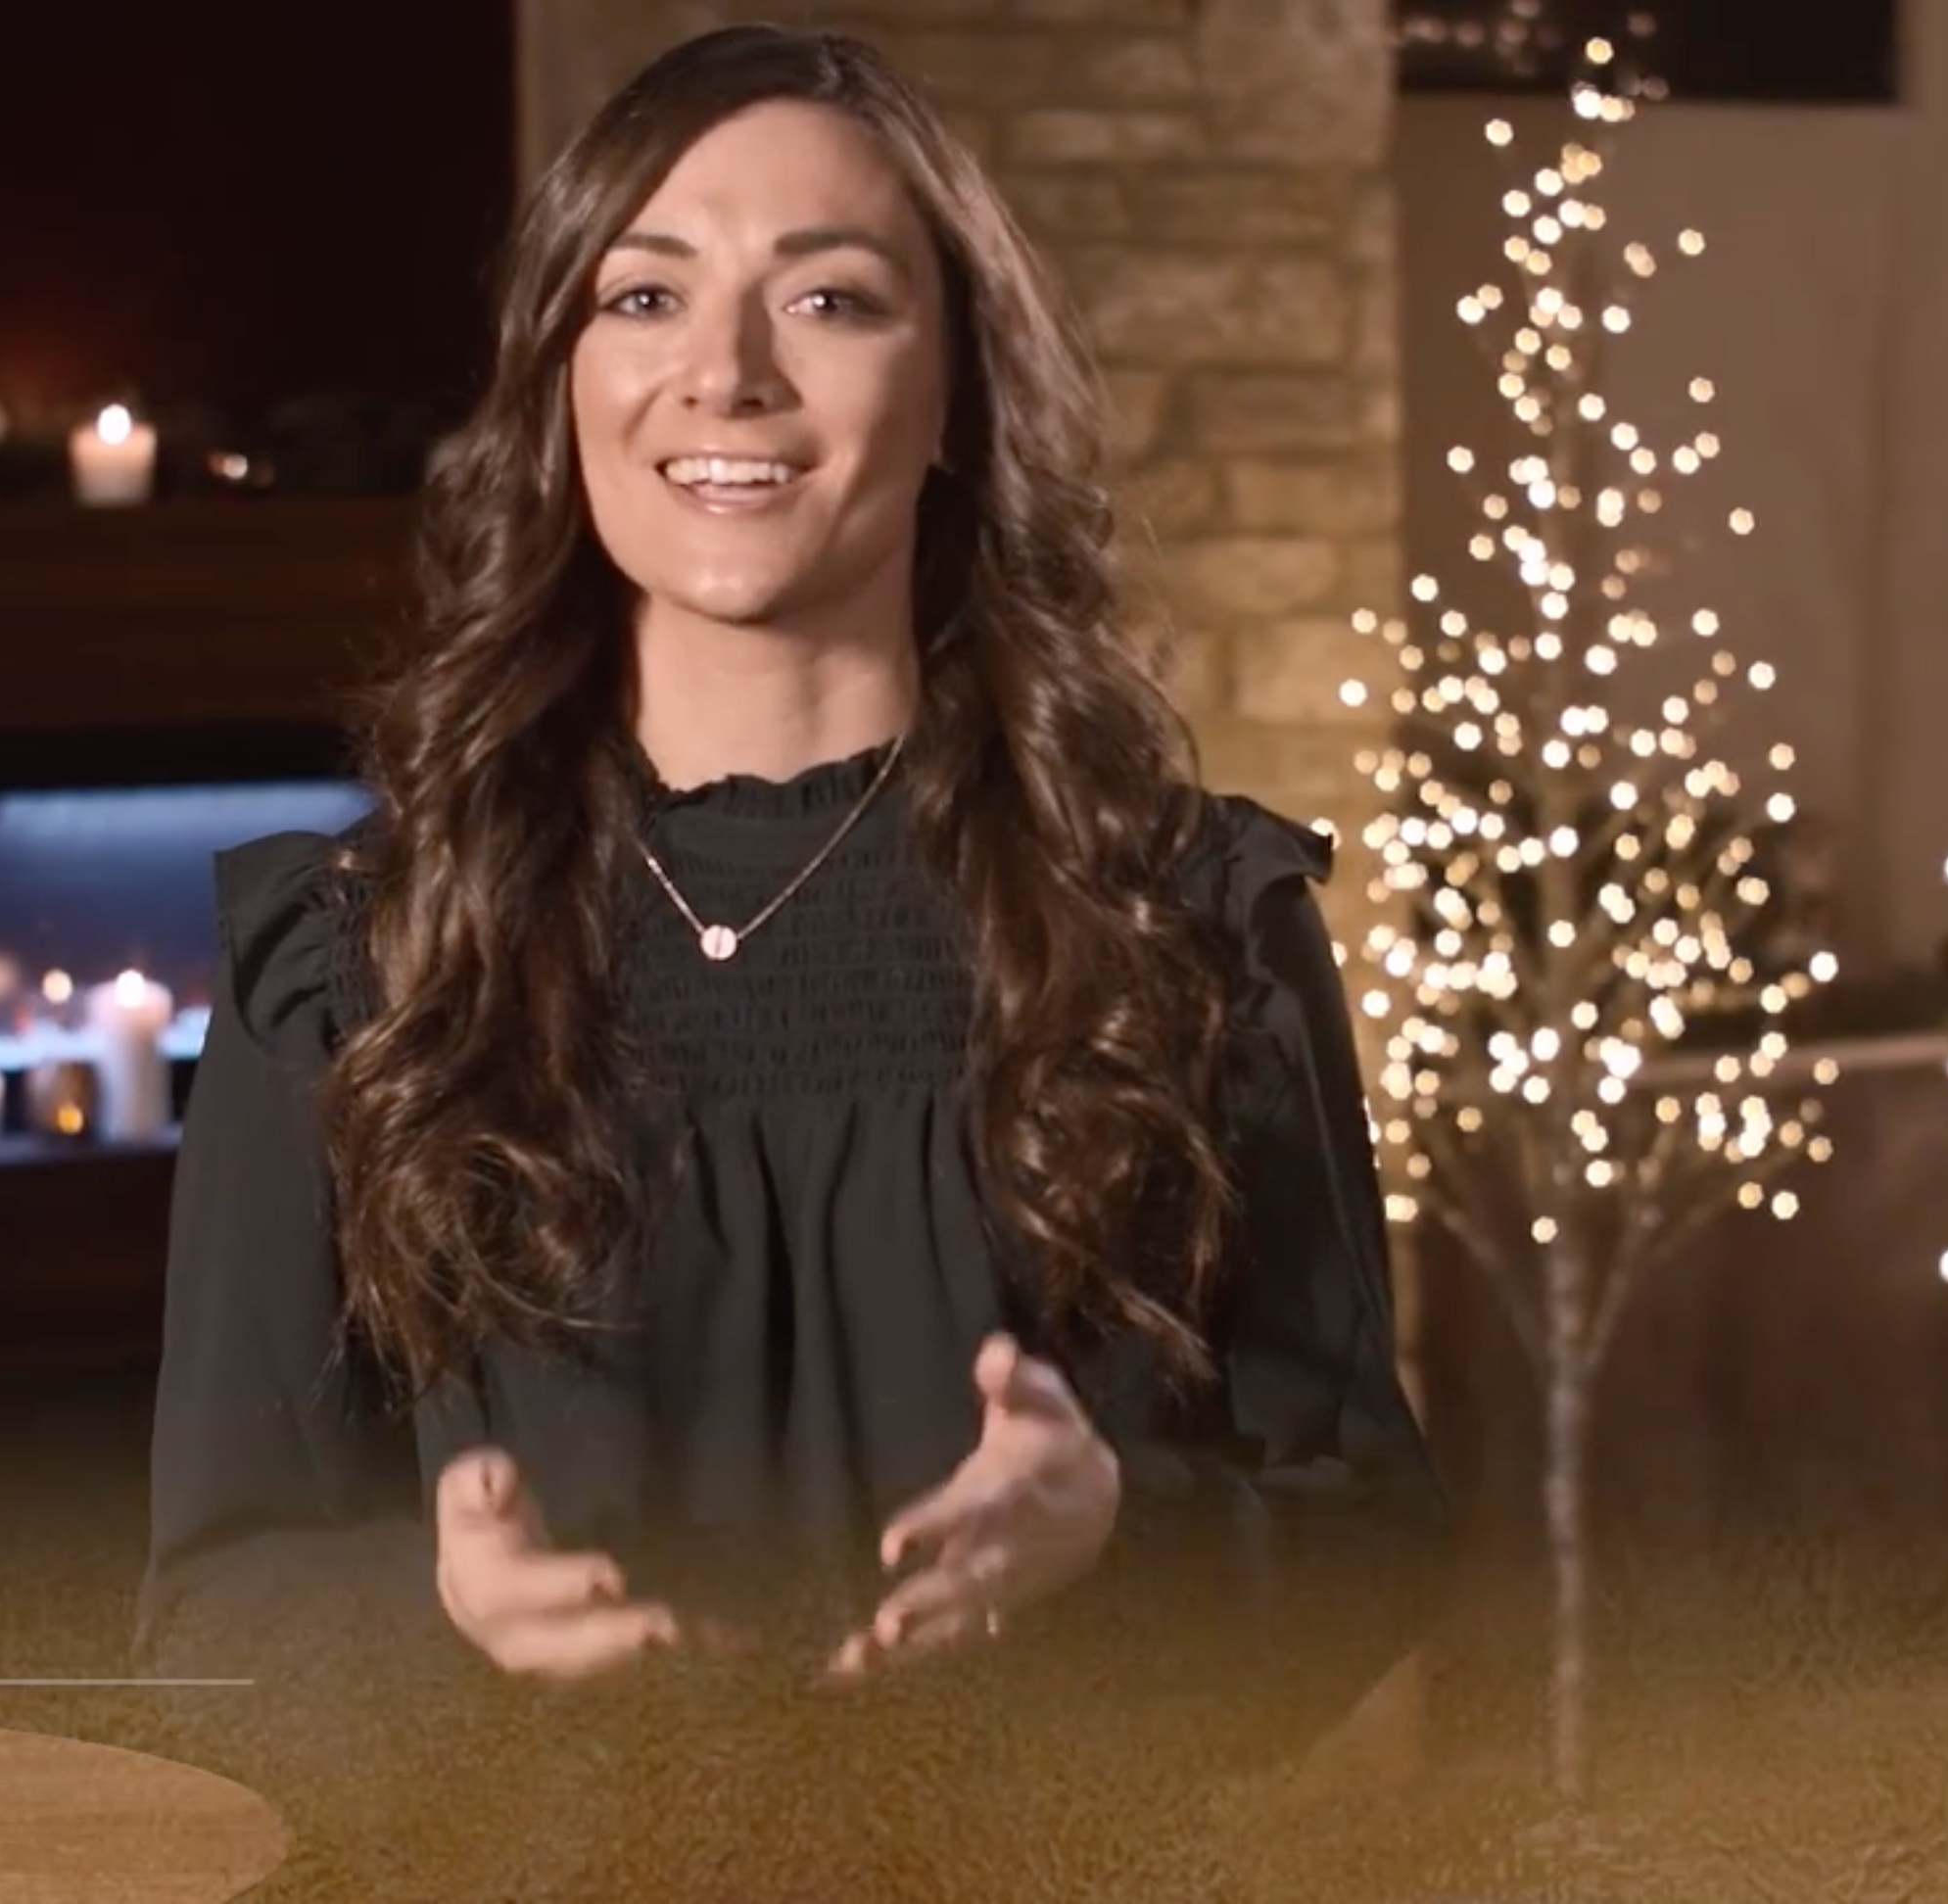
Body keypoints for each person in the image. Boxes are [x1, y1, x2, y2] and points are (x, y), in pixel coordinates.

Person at [131, 23, 1450, 1902]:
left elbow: (1369, 1541)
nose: (726, 372)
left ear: (956, 392)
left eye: (829, 299)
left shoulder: (1188, 921)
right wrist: (444, 1615)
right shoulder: (358, 955)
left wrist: (1119, 1539)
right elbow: (210, 1613)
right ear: (562, 385)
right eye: (643, 296)